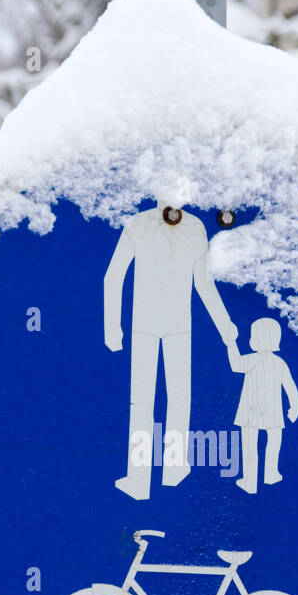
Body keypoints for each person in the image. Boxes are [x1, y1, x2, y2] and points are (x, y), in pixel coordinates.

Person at [104, 196, 236, 500]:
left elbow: (114, 277)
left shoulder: (151, 224)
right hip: (167, 326)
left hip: (156, 326)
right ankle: (171, 471)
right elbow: (205, 284)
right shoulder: (180, 226)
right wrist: (226, 327)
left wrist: (114, 330)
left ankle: (143, 479)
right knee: (173, 401)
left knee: (146, 404)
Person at [227, 317, 298, 494]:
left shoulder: (252, 360)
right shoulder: (280, 363)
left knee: (250, 446)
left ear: (255, 340)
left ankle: (250, 483)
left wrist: (231, 344)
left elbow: (235, 365)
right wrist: (294, 408)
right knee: (274, 442)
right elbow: (290, 385)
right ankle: (271, 474)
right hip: (273, 412)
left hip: (251, 411)